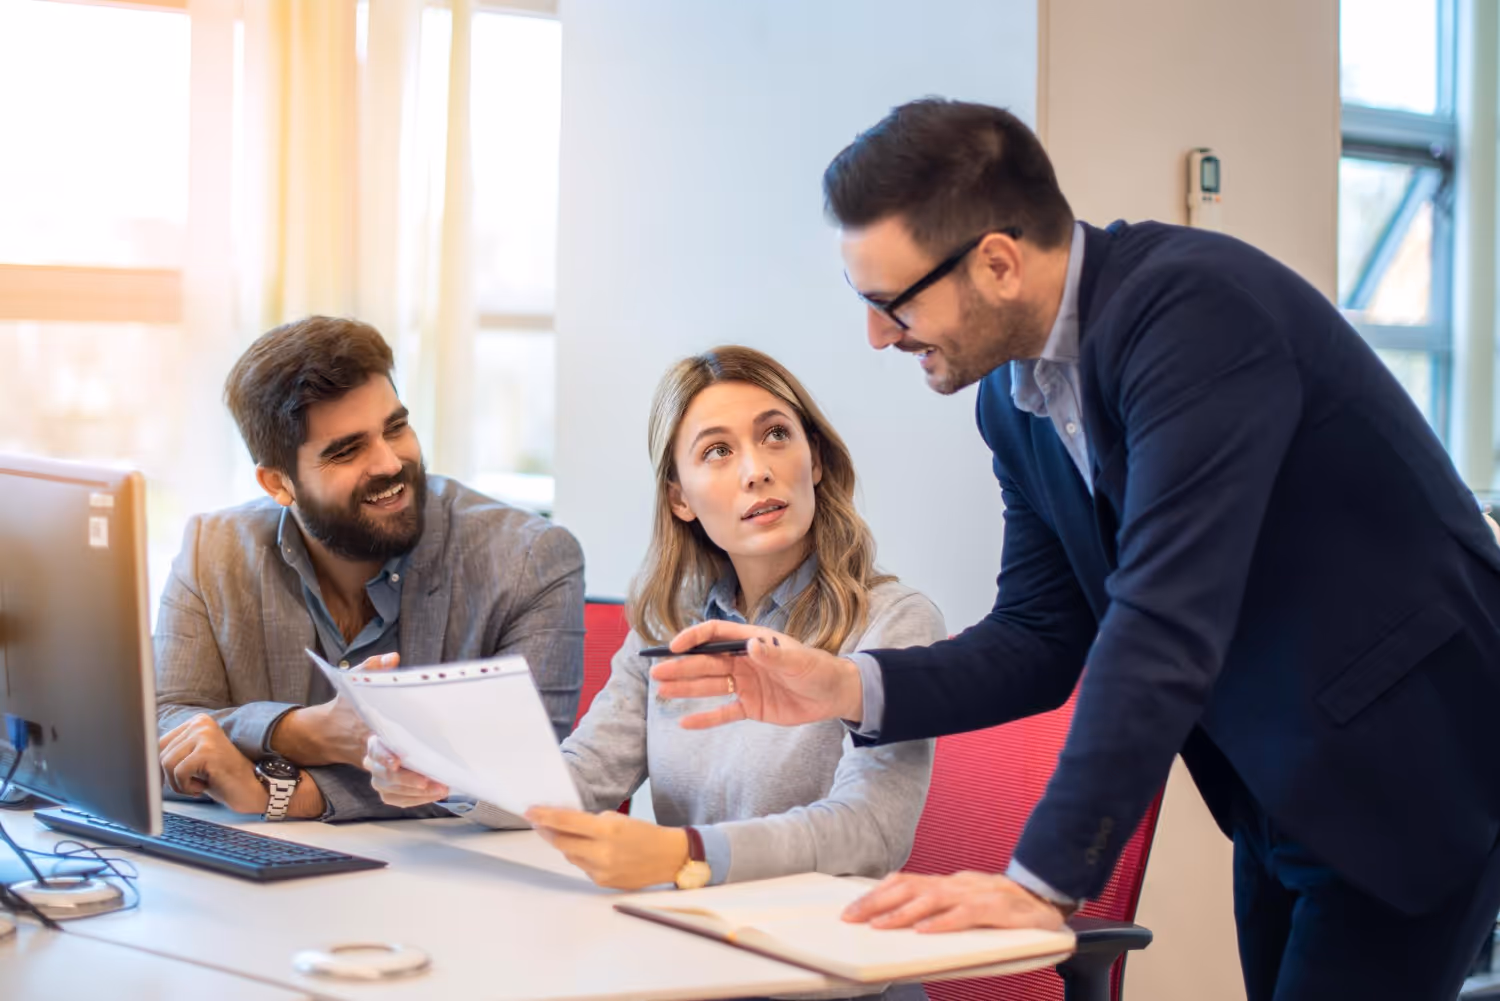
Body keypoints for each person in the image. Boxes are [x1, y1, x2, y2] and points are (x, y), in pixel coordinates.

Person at [652, 100, 1500, 1001]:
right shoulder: (1012, 401)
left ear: (998, 263)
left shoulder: (1196, 317)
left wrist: (1040, 881)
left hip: (1412, 760)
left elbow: (1163, 619)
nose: (877, 335)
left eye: (889, 302)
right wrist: (845, 685)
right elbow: (1041, 632)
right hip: (1281, 784)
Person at [367, 346, 943, 914]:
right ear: (680, 498)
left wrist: (682, 855)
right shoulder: (667, 621)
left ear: (814, 460)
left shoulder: (895, 620)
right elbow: (584, 777)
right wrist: (444, 772)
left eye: (775, 435)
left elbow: (871, 830)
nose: (757, 470)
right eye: (717, 450)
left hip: (822, 965)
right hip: (685, 944)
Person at [155, 316, 585, 822]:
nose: (388, 463)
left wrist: (283, 792)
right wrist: (300, 731)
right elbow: (159, 727)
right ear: (278, 483)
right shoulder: (213, 551)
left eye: (396, 428)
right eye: (346, 450)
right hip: (253, 878)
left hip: (445, 886)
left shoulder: (529, 560)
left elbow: (522, 780)